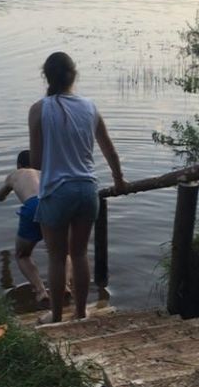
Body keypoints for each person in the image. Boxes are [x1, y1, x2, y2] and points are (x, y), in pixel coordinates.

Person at [29, 51, 126, 323]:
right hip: (87, 190)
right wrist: (119, 180)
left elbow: (36, 161)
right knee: (80, 253)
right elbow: (110, 150)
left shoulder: (39, 109)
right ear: (74, 75)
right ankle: (81, 313)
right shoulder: (90, 107)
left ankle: (57, 317)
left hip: (56, 192)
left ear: (46, 77)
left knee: (58, 257)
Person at [0, 150, 49, 304]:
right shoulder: (44, 172)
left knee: (22, 255)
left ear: (19, 165)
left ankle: (41, 291)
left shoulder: (15, 174)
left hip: (32, 206)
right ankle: (65, 286)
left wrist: (7, 189)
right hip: (54, 203)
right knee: (62, 253)